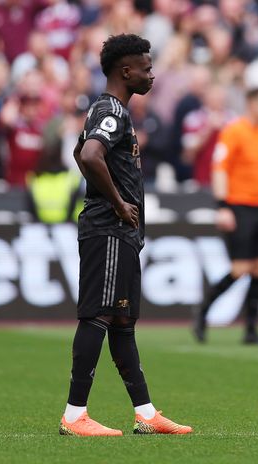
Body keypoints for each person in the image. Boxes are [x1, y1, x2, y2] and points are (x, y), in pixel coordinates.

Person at [60, 34, 191, 437]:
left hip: (120, 231)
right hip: (109, 229)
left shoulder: (109, 110)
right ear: (126, 70)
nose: (152, 75)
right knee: (98, 315)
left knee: (121, 320)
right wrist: (117, 203)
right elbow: (89, 154)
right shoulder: (112, 111)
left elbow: (81, 151)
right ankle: (74, 415)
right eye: (147, 69)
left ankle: (146, 414)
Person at [193, 88, 258, 345]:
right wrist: (223, 206)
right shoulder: (233, 131)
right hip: (238, 206)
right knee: (240, 268)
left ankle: (251, 329)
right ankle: (203, 311)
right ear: (251, 103)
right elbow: (219, 168)